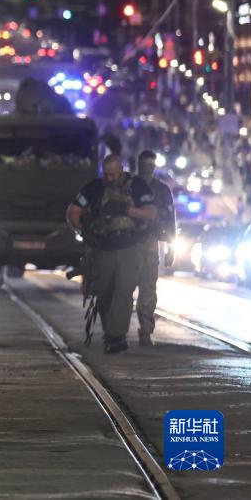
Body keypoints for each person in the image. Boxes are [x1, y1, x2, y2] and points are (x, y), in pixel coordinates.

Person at [66, 154, 156, 354]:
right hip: (102, 248)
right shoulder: (95, 187)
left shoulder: (137, 186)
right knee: (104, 292)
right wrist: (84, 233)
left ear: (121, 170)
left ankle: (116, 336)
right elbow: (73, 212)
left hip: (129, 247)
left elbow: (150, 213)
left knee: (123, 290)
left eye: (113, 174)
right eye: (106, 174)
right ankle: (111, 333)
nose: (109, 178)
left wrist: (127, 210)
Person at [135, 150, 175, 346]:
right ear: (139, 165)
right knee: (122, 288)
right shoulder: (130, 187)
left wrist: (171, 247)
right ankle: (115, 329)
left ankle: (145, 330)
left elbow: (170, 219)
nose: (147, 169)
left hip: (150, 242)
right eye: (145, 165)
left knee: (148, 289)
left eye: (151, 165)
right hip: (128, 243)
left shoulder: (162, 190)